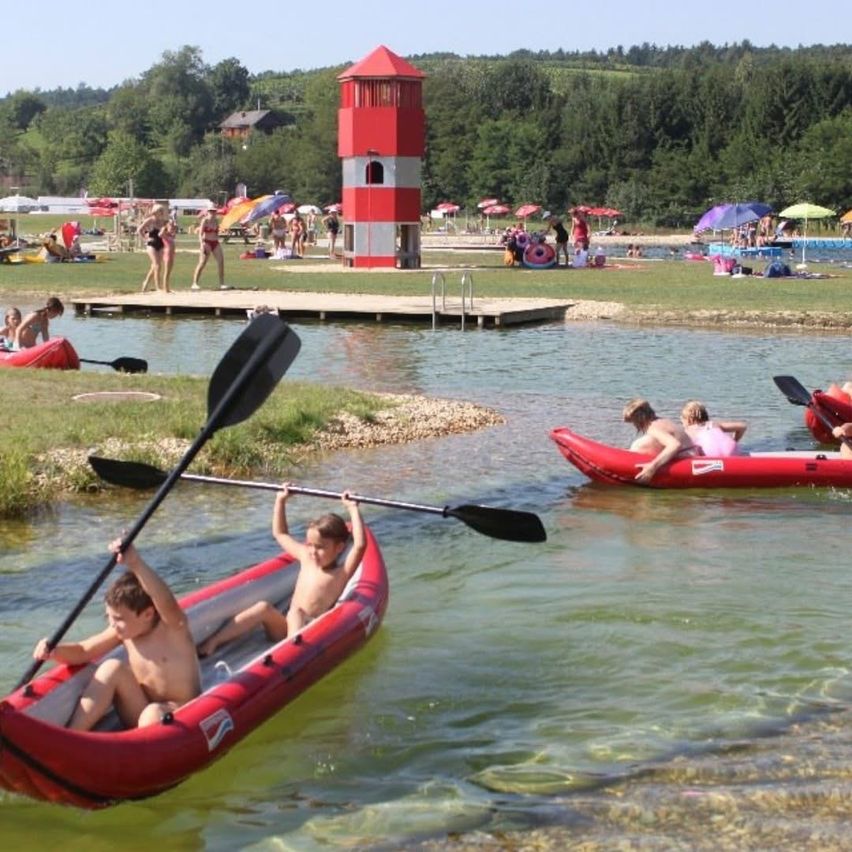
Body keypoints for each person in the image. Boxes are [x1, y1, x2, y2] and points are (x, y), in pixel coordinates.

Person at [32, 538, 200, 731]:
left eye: (118, 618)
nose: (112, 624)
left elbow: (166, 601)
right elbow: (84, 650)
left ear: (147, 614)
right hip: (140, 709)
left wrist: (135, 563)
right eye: (108, 616)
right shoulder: (124, 632)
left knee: (152, 713)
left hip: (182, 712)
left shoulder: (172, 628)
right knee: (111, 667)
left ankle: (138, 756)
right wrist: (54, 651)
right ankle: (73, 732)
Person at [198, 484, 366, 658]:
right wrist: (281, 500)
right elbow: (280, 533)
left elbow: (360, 545)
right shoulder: (306, 558)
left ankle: (290, 655)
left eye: (320, 547)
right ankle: (214, 641)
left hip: (311, 632)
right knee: (263, 608)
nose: (313, 551)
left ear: (339, 548)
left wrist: (352, 508)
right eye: (310, 545)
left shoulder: (340, 573)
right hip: (286, 628)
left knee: (297, 612)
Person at [623, 398, 699, 484]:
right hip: (691, 452)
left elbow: (675, 445)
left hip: (686, 459)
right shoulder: (662, 421)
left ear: (640, 418)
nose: (634, 425)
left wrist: (652, 467)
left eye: (633, 421)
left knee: (639, 445)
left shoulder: (653, 428)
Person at [680, 400, 747, 457]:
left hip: (713, 456)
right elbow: (742, 426)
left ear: (688, 420)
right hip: (734, 450)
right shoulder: (714, 424)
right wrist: (734, 440)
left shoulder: (689, 431)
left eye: (682, 419)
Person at [191, 208, 226, 290]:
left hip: (215, 242)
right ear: (208, 212)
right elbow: (200, 233)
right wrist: (202, 243)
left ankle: (222, 283)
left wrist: (221, 233)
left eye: (214, 211)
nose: (213, 213)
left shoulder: (216, 221)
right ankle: (195, 283)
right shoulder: (205, 220)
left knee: (221, 261)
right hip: (206, 242)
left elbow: (216, 232)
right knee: (202, 262)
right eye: (211, 211)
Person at [138, 204, 167, 293]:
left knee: (155, 266)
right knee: (157, 264)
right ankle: (158, 287)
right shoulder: (150, 220)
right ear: (155, 212)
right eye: (160, 210)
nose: (161, 212)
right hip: (151, 244)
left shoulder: (163, 221)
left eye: (162, 210)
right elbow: (139, 229)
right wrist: (145, 238)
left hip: (161, 243)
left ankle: (146, 283)